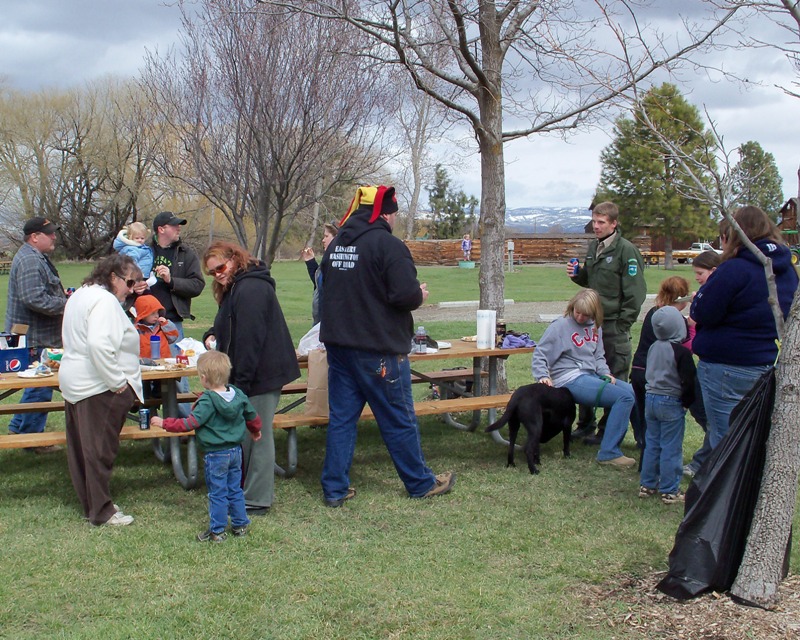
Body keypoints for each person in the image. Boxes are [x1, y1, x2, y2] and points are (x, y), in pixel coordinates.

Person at [319, 185, 456, 506]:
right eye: (394, 213)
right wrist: (419, 295)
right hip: (378, 349)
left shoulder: (337, 244)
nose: (395, 219)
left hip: (339, 346)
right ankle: (420, 483)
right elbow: (404, 295)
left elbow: (328, 287)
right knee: (398, 418)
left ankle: (334, 489)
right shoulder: (388, 245)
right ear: (383, 214)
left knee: (342, 419)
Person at [202, 241, 300, 516]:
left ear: (235, 259)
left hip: (262, 373)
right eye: (212, 272)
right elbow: (231, 322)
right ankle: (243, 490)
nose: (218, 274)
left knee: (258, 434)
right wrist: (211, 333)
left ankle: (257, 498)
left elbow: (250, 340)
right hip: (248, 372)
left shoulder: (252, 288)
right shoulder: (236, 286)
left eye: (220, 267)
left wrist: (239, 387)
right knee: (248, 432)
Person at [691, 205, 798, 449]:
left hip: (726, 365)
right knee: (749, 436)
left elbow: (703, 312)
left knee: (725, 441)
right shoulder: (786, 270)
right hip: (763, 361)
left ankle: (723, 486)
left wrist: (701, 296)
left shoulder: (735, 269)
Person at [59, 255, 144, 526]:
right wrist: (117, 382)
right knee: (99, 451)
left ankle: (92, 505)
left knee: (83, 449)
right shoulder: (105, 301)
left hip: (76, 380)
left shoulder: (81, 294)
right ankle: (102, 511)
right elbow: (98, 344)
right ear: (112, 277)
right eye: (129, 282)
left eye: (136, 283)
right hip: (97, 385)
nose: (132, 289)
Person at [151, 351, 263, 542]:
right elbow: (252, 416)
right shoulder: (238, 395)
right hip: (236, 451)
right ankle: (240, 524)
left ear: (203, 379)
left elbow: (189, 424)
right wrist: (255, 430)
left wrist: (164, 423)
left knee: (217, 493)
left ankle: (217, 531)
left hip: (216, 455)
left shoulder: (207, 401)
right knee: (235, 488)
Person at [568, 201, 646, 445]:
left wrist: (622, 324)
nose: (596, 226)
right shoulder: (595, 247)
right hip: (591, 323)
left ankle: (607, 431)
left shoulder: (626, 251)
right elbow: (591, 282)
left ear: (614, 224)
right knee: (586, 372)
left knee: (614, 375)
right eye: (594, 221)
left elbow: (635, 294)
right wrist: (577, 274)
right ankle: (586, 425)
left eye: (602, 222)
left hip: (613, 325)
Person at [531, 288, 637, 468]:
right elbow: (540, 353)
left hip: (591, 374)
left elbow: (598, 355)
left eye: (585, 315)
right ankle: (609, 453)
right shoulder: (560, 326)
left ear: (594, 313)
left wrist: (605, 372)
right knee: (624, 397)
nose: (580, 318)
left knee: (633, 391)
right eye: (577, 312)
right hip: (569, 377)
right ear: (572, 307)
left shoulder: (596, 327)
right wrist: (542, 375)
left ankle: (646, 442)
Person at [5, 217, 68, 449]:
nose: (54, 237)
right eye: (49, 233)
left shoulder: (34, 256)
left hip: (34, 335)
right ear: (34, 237)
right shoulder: (31, 260)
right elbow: (33, 298)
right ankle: (33, 439)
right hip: (34, 338)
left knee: (36, 384)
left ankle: (19, 425)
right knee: (40, 384)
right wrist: (67, 305)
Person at [148, 211, 206, 413]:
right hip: (142, 325)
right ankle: (150, 423)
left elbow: (197, 285)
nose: (178, 228)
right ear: (161, 229)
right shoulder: (143, 252)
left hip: (171, 324)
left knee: (176, 375)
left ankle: (184, 426)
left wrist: (171, 281)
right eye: (174, 225)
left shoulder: (185, 254)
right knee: (144, 374)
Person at [639, 306, 697, 505]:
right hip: (671, 401)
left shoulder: (654, 347)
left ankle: (647, 484)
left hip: (651, 398)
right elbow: (689, 381)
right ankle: (670, 490)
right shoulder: (681, 352)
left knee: (652, 443)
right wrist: (687, 403)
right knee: (671, 447)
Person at [630, 277, 693, 453]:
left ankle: (643, 447)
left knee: (644, 416)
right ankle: (652, 453)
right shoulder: (675, 321)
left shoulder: (654, 313)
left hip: (639, 369)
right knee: (658, 428)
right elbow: (687, 345)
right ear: (683, 297)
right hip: (658, 378)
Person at [683, 250, 721, 478]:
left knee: (710, 418)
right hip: (706, 363)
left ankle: (702, 463)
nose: (697, 277)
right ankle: (703, 461)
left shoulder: (716, 295)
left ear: (713, 271)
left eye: (700, 273)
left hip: (715, 367)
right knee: (707, 416)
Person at [300, 222, 338, 325]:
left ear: (336, 238)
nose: (323, 240)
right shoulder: (327, 259)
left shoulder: (336, 262)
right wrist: (310, 262)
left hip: (330, 323)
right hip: (320, 321)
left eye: (326, 236)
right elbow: (319, 285)